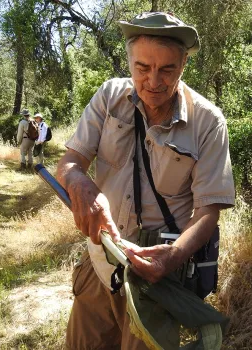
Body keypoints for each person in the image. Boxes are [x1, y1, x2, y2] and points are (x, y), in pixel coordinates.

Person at [56, 12, 235, 350]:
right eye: (143, 68)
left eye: (167, 69)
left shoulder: (209, 122)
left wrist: (173, 255)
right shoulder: (109, 97)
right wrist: (79, 183)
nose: (154, 80)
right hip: (99, 264)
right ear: (130, 63)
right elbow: (70, 162)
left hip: (157, 279)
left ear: (183, 67)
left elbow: (209, 211)